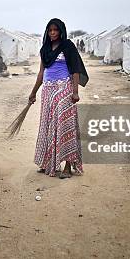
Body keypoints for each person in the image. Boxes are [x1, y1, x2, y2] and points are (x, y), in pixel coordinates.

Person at [29, 18, 89, 178]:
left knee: (65, 125)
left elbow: (75, 69)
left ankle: (68, 166)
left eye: (55, 30)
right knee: (48, 125)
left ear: (61, 31)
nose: (53, 33)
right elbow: (41, 73)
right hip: (48, 91)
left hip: (64, 89)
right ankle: (48, 163)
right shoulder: (45, 49)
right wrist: (34, 91)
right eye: (50, 30)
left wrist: (75, 92)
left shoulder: (67, 46)